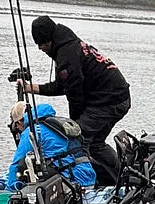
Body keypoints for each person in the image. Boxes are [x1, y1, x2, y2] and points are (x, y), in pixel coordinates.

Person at [20, 16, 129, 186]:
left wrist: (74, 126)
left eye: (41, 44)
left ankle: (85, 185)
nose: (40, 48)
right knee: (96, 144)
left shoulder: (66, 54)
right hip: (117, 97)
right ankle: (120, 179)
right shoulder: (67, 44)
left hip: (109, 101)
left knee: (78, 140)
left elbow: (74, 94)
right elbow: (63, 85)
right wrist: (31, 88)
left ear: (49, 40)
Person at [5, 101, 97, 190]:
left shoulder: (31, 131)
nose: (18, 130)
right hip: (89, 176)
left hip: (72, 182)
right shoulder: (54, 123)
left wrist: (9, 191)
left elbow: (15, 165)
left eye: (16, 127)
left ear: (19, 122)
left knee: (23, 165)